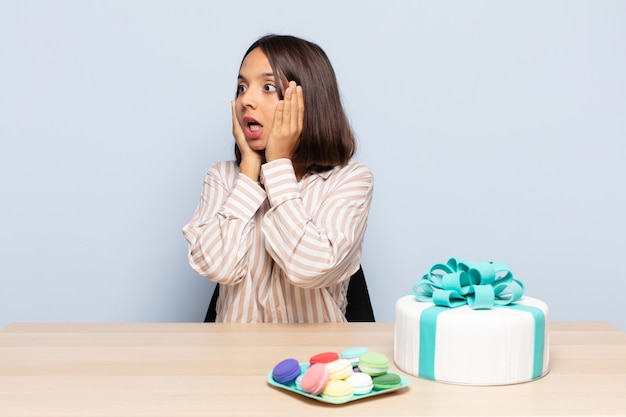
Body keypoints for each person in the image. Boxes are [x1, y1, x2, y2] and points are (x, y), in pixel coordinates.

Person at [182, 34, 373, 323]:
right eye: (241, 87)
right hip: (232, 361)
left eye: (268, 87)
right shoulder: (222, 178)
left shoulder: (350, 181)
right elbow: (218, 267)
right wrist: (248, 170)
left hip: (315, 363)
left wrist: (278, 165)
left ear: (308, 103)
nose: (246, 100)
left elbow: (309, 267)